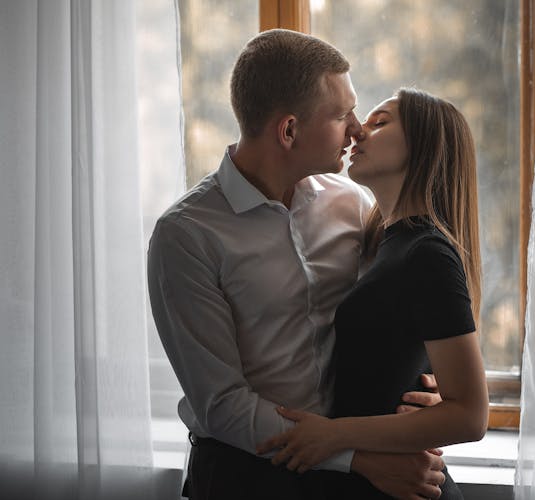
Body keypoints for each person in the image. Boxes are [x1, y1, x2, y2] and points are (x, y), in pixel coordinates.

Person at [147, 30, 446, 500]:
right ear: (289, 131)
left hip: (351, 466)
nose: (357, 129)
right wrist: (359, 463)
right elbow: (223, 406)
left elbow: (400, 317)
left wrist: (431, 393)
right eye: (341, 114)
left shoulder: (353, 202)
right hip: (244, 476)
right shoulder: (185, 236)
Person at [257, 88, 489, 499]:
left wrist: (332, 435)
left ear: (425, 145)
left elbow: (471, 416)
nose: (359, 131)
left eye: (380, 122)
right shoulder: (383, 241)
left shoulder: (427, 253)